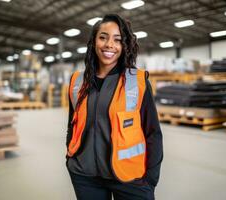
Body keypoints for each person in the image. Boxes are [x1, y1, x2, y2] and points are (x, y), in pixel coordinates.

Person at [66, 14, 163, 200]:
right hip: (85, 176)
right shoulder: (77, 81)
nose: (109, 44)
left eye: (117, 40)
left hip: (129, 177)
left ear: (124, 45)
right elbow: (72, 124)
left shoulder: (138, 81)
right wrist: (70, 158)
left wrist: (150, 179)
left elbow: (153, 133)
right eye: (103, 37)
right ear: (94, 41)